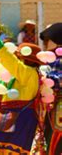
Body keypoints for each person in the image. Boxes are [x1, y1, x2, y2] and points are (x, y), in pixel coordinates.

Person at [39, 23, 62, 155]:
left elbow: (57, 80)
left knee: (53, 137)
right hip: (53, 104)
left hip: (57, 105)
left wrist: (44, 79)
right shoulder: (50, 58)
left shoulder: (55, 59)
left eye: (48, 40)